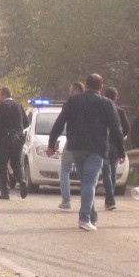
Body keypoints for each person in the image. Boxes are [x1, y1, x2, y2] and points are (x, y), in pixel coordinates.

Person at [48, 74, 125, 230]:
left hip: (76, 147)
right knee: (90, 182)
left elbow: (59, 122)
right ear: (101, 87)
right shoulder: (107, 103)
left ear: (85, 84)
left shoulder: (73, 101)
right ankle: (84, 218)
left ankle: (93, 216)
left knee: (86, 182)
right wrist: (121, 151)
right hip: (96, 149)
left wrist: (51, 144)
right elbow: (116, 130)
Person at [0, 85, 28, 199]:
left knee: (2, 164)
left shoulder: (0, 106)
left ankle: (5, 192)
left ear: (3, 95)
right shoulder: (19, 105)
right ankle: (21, 180)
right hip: (18, 138)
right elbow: (26, 123)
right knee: (16, 162)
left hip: (4, 139)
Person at [99, 85, 131, 211]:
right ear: (116, 99)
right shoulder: (120, 111)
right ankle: (110, 197)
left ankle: (110, 197)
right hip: (116, 146)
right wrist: (121, 139)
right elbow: (127, 128)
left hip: (104, 144)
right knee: (112, 170)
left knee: (106, 171)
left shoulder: (101, 110)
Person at [58, 80, 85, 209]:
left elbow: (60, 122)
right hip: (88, 143)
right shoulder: (90, 103)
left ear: (75, 90)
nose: (70, 93)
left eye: (71, 90)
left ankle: (66, 200)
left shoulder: (70, 103)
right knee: (86, 175)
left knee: (64, 169)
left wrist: (52, 142)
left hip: (72, 142)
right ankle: (87, 204)